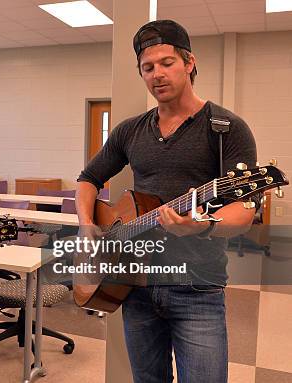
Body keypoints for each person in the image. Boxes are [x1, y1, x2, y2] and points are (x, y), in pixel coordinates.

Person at [76, 20, 258, 383]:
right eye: (148, 67)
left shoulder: (225, 128)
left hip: (197, 288)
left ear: (189, 62)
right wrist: (87, 226)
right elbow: (88, 180)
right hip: (135, 284)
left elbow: (245, 212)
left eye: (166, 63)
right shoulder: (129, 130)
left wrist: (205, 225)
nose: (157, 74)